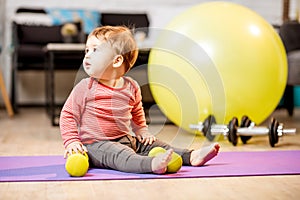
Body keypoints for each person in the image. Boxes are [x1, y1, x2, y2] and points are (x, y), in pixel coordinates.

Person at [60, 25, 220, 174]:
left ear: (117, 61)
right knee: (122, 155)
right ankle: (151, 165)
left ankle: (190, 156)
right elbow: (68, 115)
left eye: (95, 50)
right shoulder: (85, 87)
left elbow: (137, 112)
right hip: (96, 145)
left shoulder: (131, 86)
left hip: (126, 138)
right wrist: (72, 141)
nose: (87, 55)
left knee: (157, 145)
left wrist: (141, 131)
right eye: (86, 50)